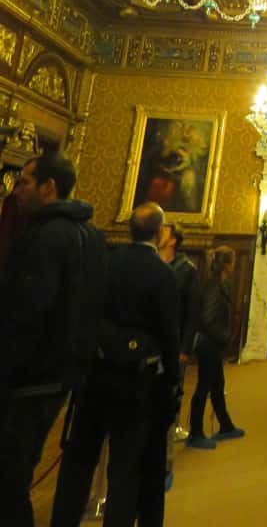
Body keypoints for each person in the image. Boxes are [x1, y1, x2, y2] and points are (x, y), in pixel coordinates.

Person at [51, 201, 179, 527]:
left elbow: (85, 313)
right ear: (160, 232)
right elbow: (168, 335)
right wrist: (171, 385)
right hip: (136, 383)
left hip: (96, 373)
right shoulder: (162, 274)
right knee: (125, 468)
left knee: (79, 462)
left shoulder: (107, 261)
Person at [0, 149, 106, 527]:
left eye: (24, 182)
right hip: (60, 375)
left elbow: (26, 313)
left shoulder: (45, 236)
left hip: (28, 378)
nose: (15, 191)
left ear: (49, 187)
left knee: (8, 481)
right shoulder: (92, 235)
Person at [187, 246, 245, 449]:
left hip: (212, 341)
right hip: (208, 343)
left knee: (217, 385)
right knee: (203, 387)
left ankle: (226, 425)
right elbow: (208, 318)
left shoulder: (221, 284)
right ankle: (195, 432)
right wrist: (225, 337)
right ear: (227, 264)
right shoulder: (213, 286)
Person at [157, 223, 199, 470]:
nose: (158, 233)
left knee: (171, 395)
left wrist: (185, 347)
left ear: (173, 240)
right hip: (151, 342)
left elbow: (192, 314)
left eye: (163, 231)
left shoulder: (187, 270)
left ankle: (166, 457)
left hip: (174, 343)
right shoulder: (151, 262)